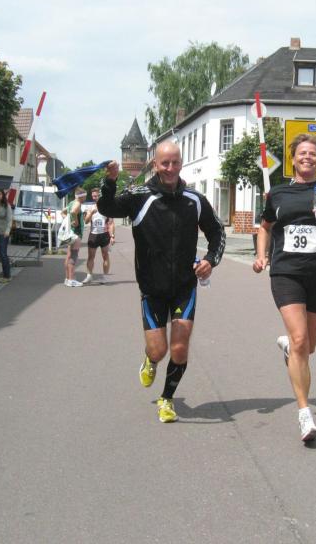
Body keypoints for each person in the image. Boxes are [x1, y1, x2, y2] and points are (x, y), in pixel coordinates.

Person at [96, 142, 225, 424]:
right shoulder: (139, 195)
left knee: (179, 348)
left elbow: (217, 232)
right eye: (164, 163)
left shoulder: (195, 199)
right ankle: (150, 359)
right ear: (155, 164)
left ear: (181, 164)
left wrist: (210, 260)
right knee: (159, 349)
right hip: (152, 288)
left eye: (175, 163)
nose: (170, 168)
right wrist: (110, 182)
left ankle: (167, 398)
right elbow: (107, 207)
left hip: (184, 286)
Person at [253, 133, 316, 442]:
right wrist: (261, 255)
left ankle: (289, 347)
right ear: (293, 158)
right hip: (285, 273)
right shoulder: (278, 193)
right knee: (300, 340)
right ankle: (305, 414)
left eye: (313, 154)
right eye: (302, 153)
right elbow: (265, 227)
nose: (307, 157)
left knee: (307, 347)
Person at [83, 187, 114, 284]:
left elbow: (111, 223)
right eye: (93, 196)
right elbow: (86, 221)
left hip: (104, 235)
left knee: (105, 256)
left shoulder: (106, 207)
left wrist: (112, 236)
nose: (95, 198)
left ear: (100, 196)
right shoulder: (90, 207)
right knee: (90, 257)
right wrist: (91, 213)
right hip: (93, 235)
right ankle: (89, 276)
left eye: (96, 196)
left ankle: (105, 277)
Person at [62, 187, 86, 287]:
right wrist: (75, 222)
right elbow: (73, 212)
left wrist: (68, 220)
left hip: (70, 233)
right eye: (85, 196)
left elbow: (63, 212)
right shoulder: (77, 203)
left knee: (69, 255)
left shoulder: (71, 203)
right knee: (74, 256)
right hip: (76, 233)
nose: (85, 198)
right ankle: (72, 279)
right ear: (81, 196)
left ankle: (67, 278)